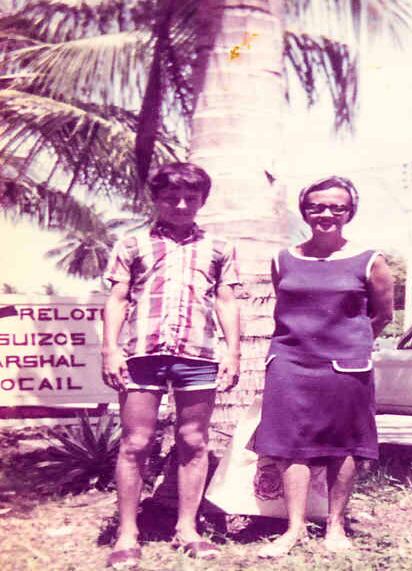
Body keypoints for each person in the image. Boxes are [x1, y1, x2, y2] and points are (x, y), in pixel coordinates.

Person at [101, 162, 241, 568]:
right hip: (142, 356)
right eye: (170, 197)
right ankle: (127, 533)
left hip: (197, 356)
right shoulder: (132, 244)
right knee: (135, 443)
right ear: (156, 198)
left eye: (190, 198)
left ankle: (187, 529)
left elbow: (226, 301)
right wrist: (110, 349)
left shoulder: (219, 247)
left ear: (202, 200)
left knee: (194, 442)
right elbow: (117, 299)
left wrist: (233, 352)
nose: (180, 205)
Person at [252, 175, 394, 557]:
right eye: (316, 207)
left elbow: (382, 315)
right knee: (290, 445)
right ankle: (293, 528)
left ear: (349, 212)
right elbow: (286, 305)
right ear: (304, 211)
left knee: (343, 445)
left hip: (346, 365)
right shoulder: (283, 259)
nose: (326, 214)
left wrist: (349, 344)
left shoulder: (371, 260)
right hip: (290, 361)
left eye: (337, 207)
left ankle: (335, 525)